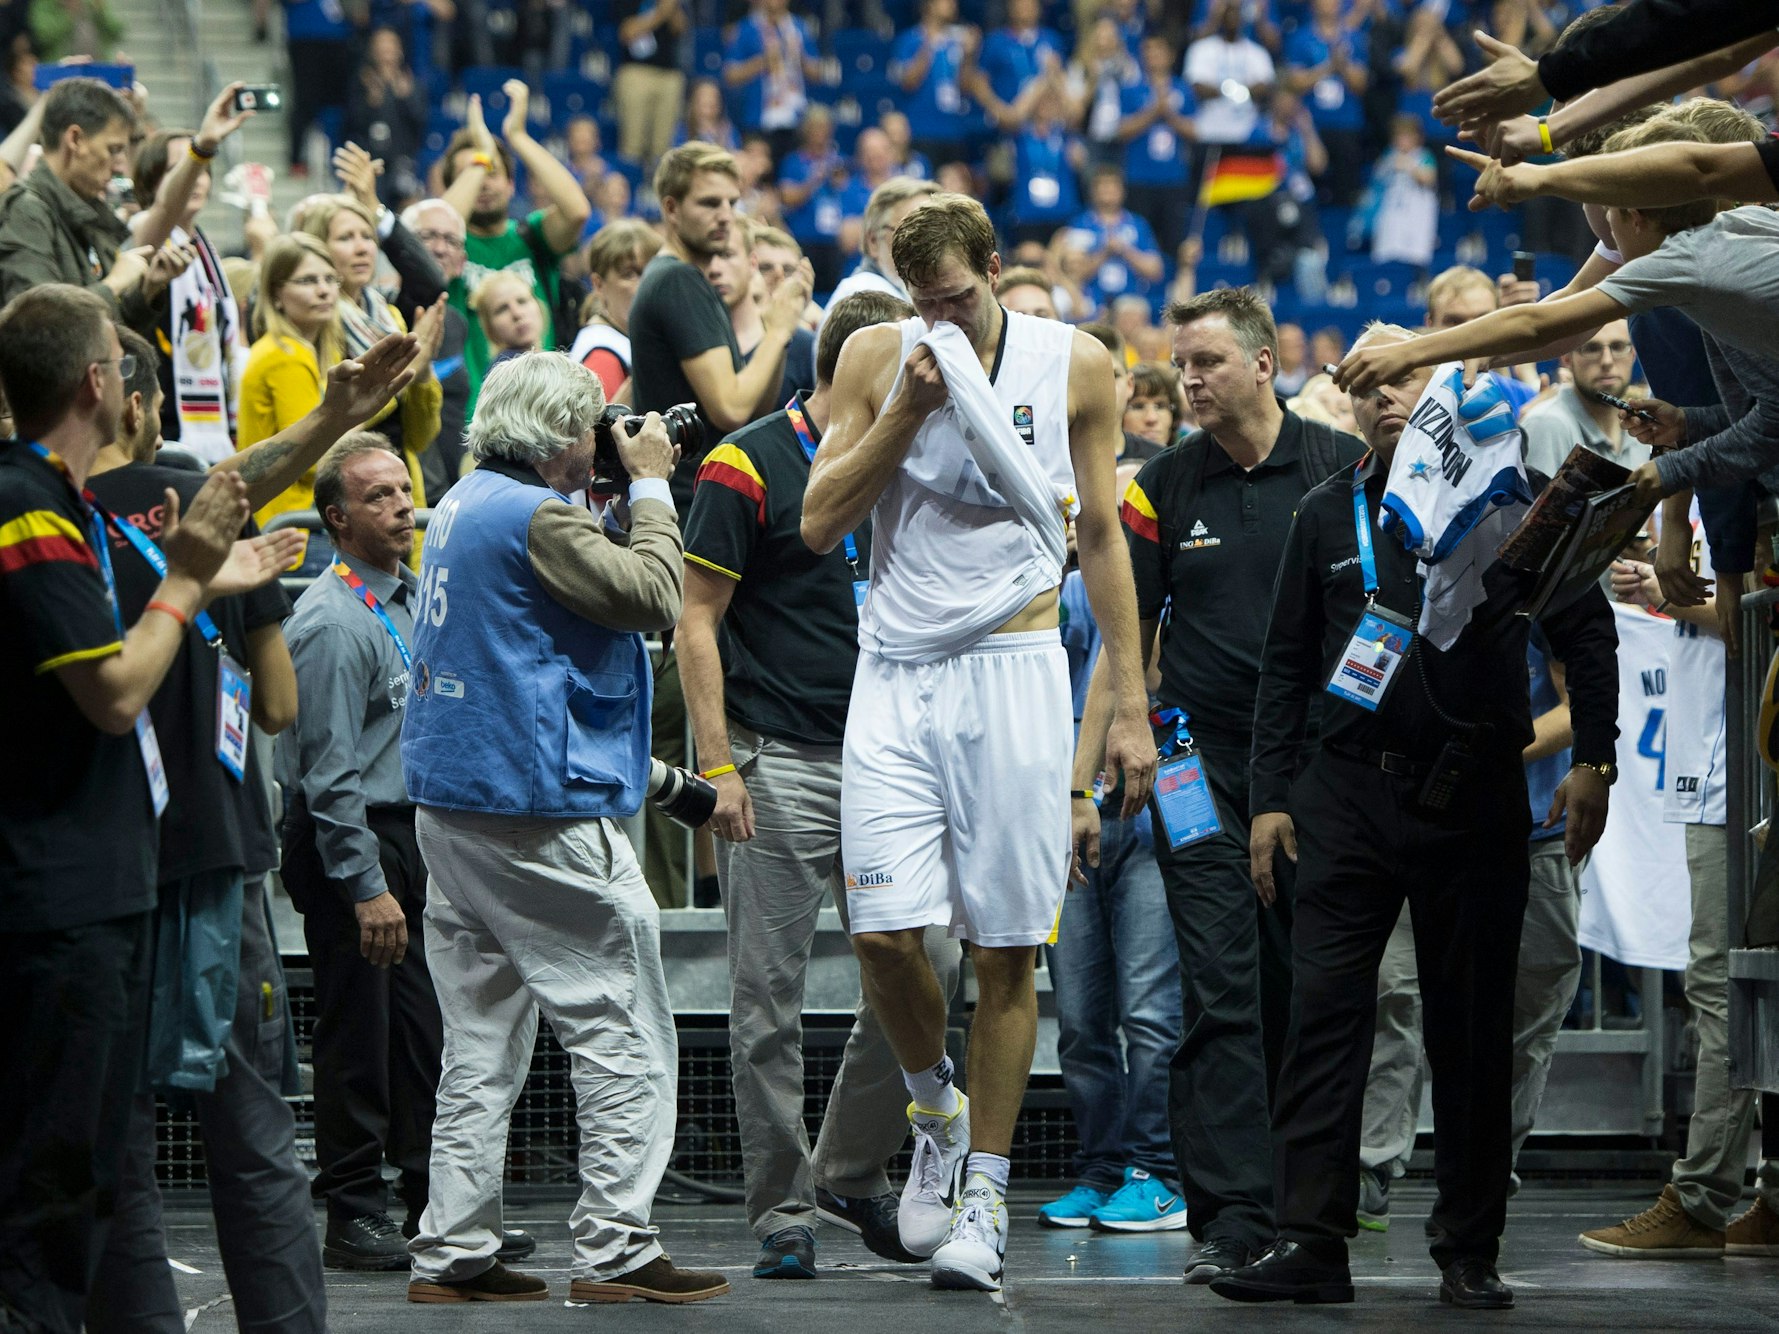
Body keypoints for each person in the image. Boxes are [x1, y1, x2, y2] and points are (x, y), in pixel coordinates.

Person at [1212, 320, 1619, 1309]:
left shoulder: (1514, 506)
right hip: (1347, 791)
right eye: (1367, 383)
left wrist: (1596, 759)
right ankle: (1311, 1238)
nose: (1384, 396)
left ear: (1440, 391)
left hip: (1475, 791)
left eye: (1403, 379)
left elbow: (1589, 632)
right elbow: (1285, 670)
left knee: (1469, 1028)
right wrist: (1270, 800)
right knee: (1324, 1017)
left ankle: (1468, 1248)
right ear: (1351, 403)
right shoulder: (1324, 512)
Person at [801, 193, 1156, 1292]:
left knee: (1006, 949)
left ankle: (988, 1196)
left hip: (1015, 666)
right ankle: (936, 1111)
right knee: (881, 934)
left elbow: (1098, 532)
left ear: (993, 267)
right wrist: (906, 410)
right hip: (896, 672)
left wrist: (1132, 699)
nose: (941, 314)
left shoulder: (1078, 364)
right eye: (924, 300)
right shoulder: (875, 354)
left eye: (955, 294)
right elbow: (819, 520)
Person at [401, 352, 727, 1305]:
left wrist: (617, 502)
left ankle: (452, 1250)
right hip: (534, 814)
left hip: (453, 805)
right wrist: (658, 488)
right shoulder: (538, 514)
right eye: (591, 428)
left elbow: (551, 614)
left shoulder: (466, 500)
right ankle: (617, 1248)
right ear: (556, 438)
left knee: (481, 1042)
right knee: (621, 1027)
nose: (603, 442)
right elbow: (655, 597)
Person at [0, 281, 268, 1334]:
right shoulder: (26, 503)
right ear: (99, 382)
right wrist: (190, 580)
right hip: (55, 900)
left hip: (86, 886)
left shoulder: (56, 496)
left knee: (86, 1178)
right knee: (50, 1194)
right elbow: (114, 694)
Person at [677, 290, 960, 1279]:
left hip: (888, 758)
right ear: (847, 368)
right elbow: (696, 617)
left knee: (935, 959)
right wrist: (716, 765)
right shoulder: (744, 460)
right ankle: (780, 1210)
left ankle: (848, 1162)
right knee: (768, 998)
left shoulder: (915, 450)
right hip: (778, 753)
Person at [1088, 288, 1362, 1281]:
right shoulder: (1162, 483)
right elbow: (1129, 641)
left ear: (1265, 361)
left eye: (1206, 360)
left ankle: (1308, 1206)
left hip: (1316, 764)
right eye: (1180, 362)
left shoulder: (1338, 468)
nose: (1188, 378)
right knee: (1221, 980)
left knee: (1304, 983)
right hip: (1197, 761)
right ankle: (1235, 1214)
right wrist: (1112, 754)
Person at [83, 328, 320, 1333]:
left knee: (112, 1147)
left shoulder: (37, 513)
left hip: (93, 867)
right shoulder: (204, 497)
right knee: (254, 1134)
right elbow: (275, 703)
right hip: (218, 859)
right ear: (136, 400)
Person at [280, 433, 534, 1274]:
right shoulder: (326, 621)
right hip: (353, 840)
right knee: (357, 1032)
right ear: (337, 518)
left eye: (404, 491)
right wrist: (362, 883)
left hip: (411, 831)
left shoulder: (414, 596)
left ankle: (436, 1203)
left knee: (423, 1033)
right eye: (380, 497)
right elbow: (326, 775)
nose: (402, 508)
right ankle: (352, 1210)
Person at [1585, 527, 1779, 1257]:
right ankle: (1772, 1196)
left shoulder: (1743, 479)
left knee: (1721, 986)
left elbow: (1753, 606)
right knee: (1732, 984)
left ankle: (1699, 1198)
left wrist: (1672, 595)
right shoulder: (1706, 497)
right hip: (1714, 764)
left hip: (1744, 775)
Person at [629, 141, 812, 512]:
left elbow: (755, 412)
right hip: (686, 503)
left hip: (698, 499)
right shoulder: (678, 280)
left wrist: (781, 331)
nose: (726, 216)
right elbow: (730, 408)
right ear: (671, 208)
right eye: (710, 203)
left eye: (733, 202)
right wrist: (776, 330)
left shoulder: (688, 278)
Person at [439, 83, 592, 410]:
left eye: (492, 171)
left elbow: (577, 211)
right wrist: (481, 155)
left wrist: (517, 135)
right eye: (471, 173)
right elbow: (439, 224)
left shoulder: (531, 236)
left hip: (545, 411)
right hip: (475, 421)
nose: (482, 180)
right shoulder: (447, 249)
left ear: (511, 185)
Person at [124, 85, 256, 464]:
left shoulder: (206, 251)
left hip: (212, 426)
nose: (197, 178)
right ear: (151, 182)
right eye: (180, 169)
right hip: (164, 421)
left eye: (203, 170)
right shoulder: (138, 236)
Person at [0, 76, 184, 337]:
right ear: (75, 139)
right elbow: (34, 332)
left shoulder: (85, 211)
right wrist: (114, 283)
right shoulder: (26, 212)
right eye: (113, 149)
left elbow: (103, 335)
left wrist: (145, 292)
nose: (121, 165)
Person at [400, 197, 474, 493]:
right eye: (427, 236)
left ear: (461, 262)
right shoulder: (388, 311)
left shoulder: (456, 322)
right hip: (405, 491)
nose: (440, 248)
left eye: (450, 240)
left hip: (448, 491)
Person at [707, 216, 815, 404]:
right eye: (766, 268)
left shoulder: (808, 345)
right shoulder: (708, 337)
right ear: (750, 266)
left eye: (788, 270)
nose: (779, 276)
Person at [1520, 319, 1647, 477]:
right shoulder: (1547, 424)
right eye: (1591, 348)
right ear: (1566, 358)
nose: (1607, 361)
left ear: (1633, 354)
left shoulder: (1643, 427)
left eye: (1618, 347)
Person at [819, 177, 939, 335]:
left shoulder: (925, 296)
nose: (928, 241)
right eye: (913, 231)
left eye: (935, 230)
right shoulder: (862, 297)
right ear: (873, 242)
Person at [1117, 36, 1196, 258]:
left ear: (1170, 56)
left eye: (1158, 51)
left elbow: (1194, 131)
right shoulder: (1131, 90)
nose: (1153, 56)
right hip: (1139, 178)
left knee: (1175, 243)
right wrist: (1154, 110)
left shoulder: (1183, 90)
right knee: (1140, 242)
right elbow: (1122, 130)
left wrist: (1168, 114)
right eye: (1148, 51)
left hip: (1173, 179)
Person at [568, 218, 662, 405]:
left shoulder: (622, 336)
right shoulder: (603, 357)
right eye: (629, 274)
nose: (645, 284)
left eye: (651, 271)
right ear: (598, 284)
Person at [1283, 0, 1366, 206]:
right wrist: (1329, 67)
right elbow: (1295, 82)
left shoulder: (1354, 38)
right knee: (1310, 191)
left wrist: (1343, 67)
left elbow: (1361, 84)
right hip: (1312, 122)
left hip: (1347, 123)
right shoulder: (1301, 38)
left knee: (1345, 193)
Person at [723, 0, 822, 164]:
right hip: (758, 120)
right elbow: (730, 75)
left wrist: (799, 57)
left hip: (795, 118)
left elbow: (817, 74)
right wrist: (763, 61)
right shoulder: (746, 28)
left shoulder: (799, 27)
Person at [888, 0, 982, 170]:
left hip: (955, 130)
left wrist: (969, 57)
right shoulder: (909, 39)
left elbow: (966, 88)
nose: (953, 4)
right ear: (929, 5)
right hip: (922, 130)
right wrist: (929, 43)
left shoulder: (958, 41)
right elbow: (908, 82)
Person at [342, 27, 427, 206]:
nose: (386, 52)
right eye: (381, 47)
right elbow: (351, 124)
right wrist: (372, 102)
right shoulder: (362, 83)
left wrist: (405, 98)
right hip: (370, 160)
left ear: (400, 50)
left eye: (390, 46)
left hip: (404, 161)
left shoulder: (411, 83)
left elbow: (420, 123)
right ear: (372, 51)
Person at [1068, 165, 1165, 316]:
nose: (1108, 192)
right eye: (1103, 187)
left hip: (1131, 301)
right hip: (1090, 300)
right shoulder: (1081, 225)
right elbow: (1074, 273)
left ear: (1122, 191)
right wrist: (1104, 253)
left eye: (1112, 187)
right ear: (1093, 191)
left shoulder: (1138, 224)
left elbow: (1155, 271)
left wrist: (1125, 250)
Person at [1185, 0, 1274, 149]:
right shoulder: (1201, 49)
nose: (1232, 20)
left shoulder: (1258, 53)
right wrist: (1239, 91)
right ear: (1220, 18)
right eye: (1228, 15)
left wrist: (1222, 90)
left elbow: (1265, 87)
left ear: (1243, 19)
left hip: (1248, 132)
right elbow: (1197, 87)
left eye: (1236, 15)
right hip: (1209, 131)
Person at [612, 0, 688, 165]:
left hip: (668, 74)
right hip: (636, 72)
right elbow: (628, 32)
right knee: (632, 145)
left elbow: (680, 29)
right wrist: (661, 13)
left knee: (664, 148)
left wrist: (672, 9)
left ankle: (659, 188)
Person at [471, 270, 546, 370]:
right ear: (489, 328)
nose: (517, 314)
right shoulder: (505, 370)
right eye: (502, 309)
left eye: (522, 301)